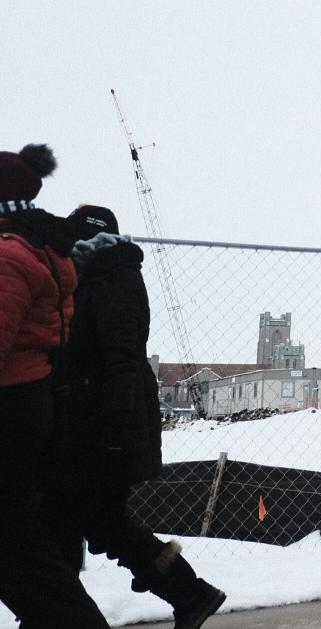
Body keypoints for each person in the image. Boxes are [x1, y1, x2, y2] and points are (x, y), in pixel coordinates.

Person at [44, 204, 226, 629]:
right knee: (87, 522)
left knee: (85, 522)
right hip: (90, 424)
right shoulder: (95, 278)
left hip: (101, 427)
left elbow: (121, 361)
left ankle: (189, 593)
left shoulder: (110, 280)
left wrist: (116, 429)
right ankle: (189, 593)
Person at [0, 144, 110, 628]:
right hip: (27, 403)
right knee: (19, 540)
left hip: (9, 406)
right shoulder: (38, 247)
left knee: (16, 544)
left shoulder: (10, 256)